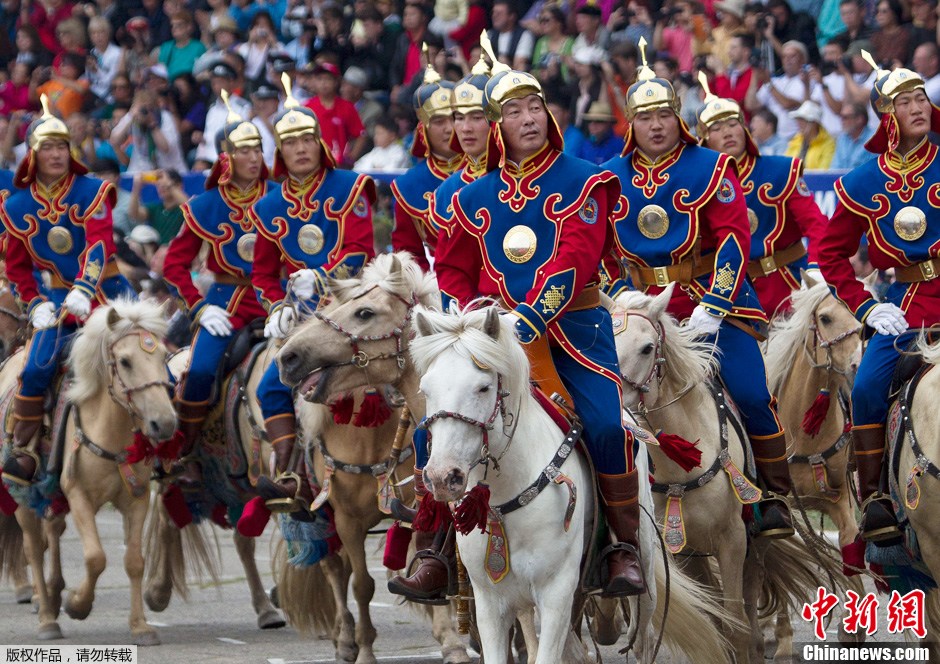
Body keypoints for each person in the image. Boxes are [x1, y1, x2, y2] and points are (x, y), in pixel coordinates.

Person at [433, 59, 646, 598]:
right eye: (513, 111)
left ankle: (622, 548)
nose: (528, 118)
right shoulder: (473, 195)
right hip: (492, 336)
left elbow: (575, 259)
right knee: (439, 424)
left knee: (605, 426)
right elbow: (452, 268)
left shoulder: (586, 179)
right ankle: (434, 549)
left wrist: (526, 318)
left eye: (535, 107)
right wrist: (470, 317)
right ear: (495, 125)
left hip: (575, 331)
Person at [602, 42, 794, 539]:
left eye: (665, 114)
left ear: (679, 117)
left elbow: (735, 239)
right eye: (645, 118)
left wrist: (716, 303)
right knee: (605, 404)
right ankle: (609, 507)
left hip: (713, 306)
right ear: (631, 125)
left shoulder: (712, 166)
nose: (657, 125)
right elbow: (603, 253)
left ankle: (772, 497)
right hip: (641, 312)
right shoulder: (610, 177)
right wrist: (618, 300)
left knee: (751, 392)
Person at [817, 56, 940, 545]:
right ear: (886, 116)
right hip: (907, 306)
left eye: (921, 98)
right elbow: (830, 254)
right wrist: (868, 308)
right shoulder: (861, 181)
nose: (919, 108)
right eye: (905, 102)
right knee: (867, 389)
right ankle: (876, 504)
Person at [248, 74, 376, 516]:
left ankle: (409, 472)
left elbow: (362, 251)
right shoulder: (266, 206)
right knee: (271, 387)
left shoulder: (351, 187)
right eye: (291, 143)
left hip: (351, 311)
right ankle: (288, 469)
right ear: (279, 152)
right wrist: (276, 307)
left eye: (307, 139)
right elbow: (263, 272)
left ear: (320, 143)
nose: (301, 149)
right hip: (300, 318)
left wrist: (321, 278)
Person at [0, 95, 135, 485]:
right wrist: (36, 302)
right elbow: (18, 268)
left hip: (109, 291)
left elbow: (97, 244)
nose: (57, 155)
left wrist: (85, 287)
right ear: (32, 154)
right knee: (38, 364)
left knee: (149, 354)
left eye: (61, 146)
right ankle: (24, 449)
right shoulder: (17, 206)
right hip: (59, 298)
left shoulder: (91, 191)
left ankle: (168, 448)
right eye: (48, 148)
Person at [162, 94, 272, 490]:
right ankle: (185, 452)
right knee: (202, 370)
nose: (254, 157)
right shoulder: (204, 205)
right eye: (244, 150)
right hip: (225, 302)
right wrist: (197, 308)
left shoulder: (281, 196)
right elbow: (174, 266)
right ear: (225, 157)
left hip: (279, 297)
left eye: (257, 148)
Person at [697, 76, 827, 318]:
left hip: (790, 285)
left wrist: (817, 267)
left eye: (733, 124)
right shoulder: (699, 186)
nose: (727, 132)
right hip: (734, 293)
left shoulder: (781, 171)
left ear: (745, 129)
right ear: (704, 140)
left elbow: (817, 225)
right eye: (716, 128)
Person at [390, 60, 459, 272]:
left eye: (455, 118)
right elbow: (408, 254)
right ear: (423, 129)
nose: (450, 128)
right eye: (439, 122)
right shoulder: (408, 185)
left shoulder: (490, 169)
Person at [784, 100, 835, 169]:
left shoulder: (828, 144)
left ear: (814, 123)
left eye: (803, 120)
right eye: (798, 119)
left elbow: (823, 174)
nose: (799, 123)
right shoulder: (796, 140)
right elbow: (785, 166)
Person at [576, 101, 625, 165]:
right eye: (590, 121)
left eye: (599, 121)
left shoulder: (620, 145)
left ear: (609, 123)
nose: (593, 125)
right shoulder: (585, 145)